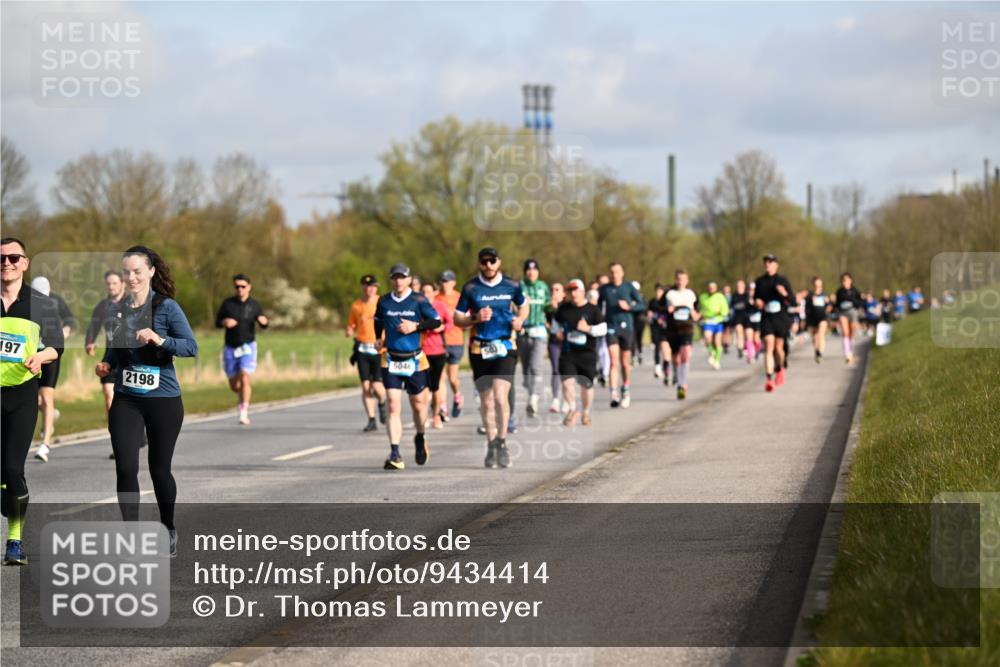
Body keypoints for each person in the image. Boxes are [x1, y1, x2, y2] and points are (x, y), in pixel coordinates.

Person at [95, 246, 197, 558]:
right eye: (127, 272)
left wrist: (160, 340)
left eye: (138, 271)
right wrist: (107, 364)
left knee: (159, 469)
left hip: (163, 400)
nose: (132, 277)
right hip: (126, 399)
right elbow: (115, 347)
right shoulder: (118, 309)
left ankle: (167, 528)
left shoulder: (167, 307)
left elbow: (190, 347)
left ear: (151, 271)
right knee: (126, 467)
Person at [2, 238, 64, 565]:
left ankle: (14, 540)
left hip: (22, 395)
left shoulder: (40, 303)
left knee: (13, 468)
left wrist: (41, 355)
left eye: (14, 258)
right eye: (1, 259)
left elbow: (57, 346)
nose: (7, 263)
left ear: (25, 263)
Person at [453, 247, 527, 469]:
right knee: (486, 400)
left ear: (499, 262)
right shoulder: (470, 288)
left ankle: (502, 442)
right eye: (484, 262)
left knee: (499, 396)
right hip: (480, 349)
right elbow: (457, 318)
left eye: (492, 261)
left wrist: (520, 320)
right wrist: (475, 318)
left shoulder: (512, 285)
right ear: (479, 264)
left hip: (505, 345)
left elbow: (524, 305)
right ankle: (491, 443)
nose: (488, 265)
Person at [373, 263, 441, 470]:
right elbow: (378, 320)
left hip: (414, 359)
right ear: (390, 279)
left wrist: (416, 326)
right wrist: (379, 338)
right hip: (391, 359)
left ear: (409, 279)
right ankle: (395, 453)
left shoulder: (418, 300)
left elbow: (436, 321)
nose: (398, 281)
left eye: (402, 277)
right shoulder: (384, 301)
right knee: (393, 405)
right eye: (394, 277)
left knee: (418, 405)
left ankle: (420, 436)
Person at [29, 276, 76, 463]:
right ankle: (51, 414)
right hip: (31, 355)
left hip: (50, 355)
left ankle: (45, 444)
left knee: (47, 397)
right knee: (34, 399)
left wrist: (65, 331)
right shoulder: (25, 302)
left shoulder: (56, 300)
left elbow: (70, 319)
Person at [216, 274, 269, 425]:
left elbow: (264, 322)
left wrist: (264, 321)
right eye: (237, 286)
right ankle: (240, 396)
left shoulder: (255, 305)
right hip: (231, 347)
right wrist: (225, 321)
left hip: (248, 346)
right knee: (235, 386)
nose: (240, 289)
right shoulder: (228, 304)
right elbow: (217, 322)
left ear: (249, 287)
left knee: (245, 377)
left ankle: (243, 412)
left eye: (243, 286)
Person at [553, 279, 607, 426]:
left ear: (583, 292)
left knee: (586, 386)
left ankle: (586, 412)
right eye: (571, 290)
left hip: (587, 354)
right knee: (566, 383)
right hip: (568, 353)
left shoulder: (593, 310)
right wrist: (557, 332)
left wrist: (588, 329)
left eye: (576, 290)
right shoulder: (564, 309)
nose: (573, 293)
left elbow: (603, 329)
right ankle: (571, 408)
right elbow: (555, 323)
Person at [85, 269, 127, 459]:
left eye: (114, 283)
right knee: (110, 399)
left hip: (130, 358)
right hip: (110, 358)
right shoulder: (103, 306)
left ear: (122, 284)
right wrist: (90, 341)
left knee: (133, 398)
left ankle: (137, 430)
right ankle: (118, 443)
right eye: (108, 284)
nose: (111, 287)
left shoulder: (132, 303)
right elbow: (93, 325)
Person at [597, 263, 645, 408]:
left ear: (622, 273)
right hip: (611, 327)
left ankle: (626, 389)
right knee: (613, 361)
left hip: (627, 328)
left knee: (625, 363)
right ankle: (613, 393)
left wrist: (630, 306)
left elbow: (642, 304)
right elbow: (599, 309)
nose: (614, 275)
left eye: (617, 272)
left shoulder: (628, 287)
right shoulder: (604, 289)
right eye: (611, 272)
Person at [346, 275, 388, 432]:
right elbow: (351, 324)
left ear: (376, 288)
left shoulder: (382, 302)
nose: (369, 289)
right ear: (362, 287)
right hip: (362, 349)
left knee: (377, 386)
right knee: (365, 386)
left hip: (378, 349)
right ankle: (371, 419)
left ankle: (382, 403)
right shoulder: (356, 306)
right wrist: (349, 330)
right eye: (366, 286)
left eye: (373, 286)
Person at [753, 254, 794, 392]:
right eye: (766, 262)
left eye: (770, 262)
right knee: (768, 346)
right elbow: (755, 299)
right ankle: (769, 379)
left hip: (781, 317)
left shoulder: (783, 280)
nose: (767, 264)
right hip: (767, 317)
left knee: (778, 348)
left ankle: (780, 368)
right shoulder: (760, 281)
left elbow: (793, 301)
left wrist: (784, 294)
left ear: (776, 265)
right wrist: (757, 302)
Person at [658, 269, 700, 399]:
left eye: (683, 279)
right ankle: (678, 377)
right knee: (676, 358)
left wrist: (696, 315)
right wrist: (666, 310)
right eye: (678, 278)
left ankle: (682, 384)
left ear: (687, 280)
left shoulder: (691, 294)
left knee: (686, 354)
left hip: (687, 328)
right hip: (672, 329)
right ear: (675, 279)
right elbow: (658, 308)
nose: (680, 281)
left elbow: (698, 310)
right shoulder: (669, 293)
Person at [517, 259, 550, 418]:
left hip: (539, 332)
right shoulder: (519, 287)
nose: (531, 273)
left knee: (535, 366)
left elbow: (549, 306)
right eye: (528, 270)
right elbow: (512, 306)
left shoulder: (543, 287)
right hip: (523, 333)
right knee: (525, 369)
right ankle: (531, 391)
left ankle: (533, 399)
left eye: (534, 270)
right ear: (525, 272)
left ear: (538, 272)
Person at [420, 281, 452, 429]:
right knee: (424, 386)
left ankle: (436, 416)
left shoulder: (440, 306)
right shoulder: (418, 306)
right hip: (422, 350)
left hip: (438, 350)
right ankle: (424, 416)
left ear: (434, 292)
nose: (426, 294)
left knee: (436, 386)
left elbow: (451, 322)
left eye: (428, 291)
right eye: (423, 292)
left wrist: (443, 327)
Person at [436, 270, 465, 419]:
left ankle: (458, 395)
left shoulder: (460, 297)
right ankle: (442, 406)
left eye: (447, 281)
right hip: (439, 343)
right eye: (442, 281)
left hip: (456, 342)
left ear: (453, 282)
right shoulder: (436, 299)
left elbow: (467, 319)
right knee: (440, 377)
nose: (444, 284)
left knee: (452, 378)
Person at [834, 272, 865, 365]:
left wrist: (855, 302)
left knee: (851, 332)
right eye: (843, 280)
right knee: (845, 332)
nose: (845, 282)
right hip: (843, 313)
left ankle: (851, 351)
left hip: (853, 312)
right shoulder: (839, 291)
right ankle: (847, 354)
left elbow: (860, 301)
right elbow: (836, 304)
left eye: (847, 280)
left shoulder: (855, 290)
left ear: (851, 280)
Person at [698, 281, 729, 370]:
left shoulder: (720, 297)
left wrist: (720, 312)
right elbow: (700, 308)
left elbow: (725, 310)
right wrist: (700, 315)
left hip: (718, 321)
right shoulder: (703, 297)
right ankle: (712, 352)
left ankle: (717, 360)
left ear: (716, 288)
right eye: (710, 287)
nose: (711, 289)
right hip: (707, 321)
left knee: (717, 341)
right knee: (707, 337)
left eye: (713, 287)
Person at [545, 282, 565, 413]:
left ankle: (568, 399)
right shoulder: (547, 307)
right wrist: (549, 327)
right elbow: (543, 320)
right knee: (556, 369)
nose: (554, 291)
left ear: (563, 293)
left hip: (567, 341)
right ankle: (556, 399)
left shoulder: (567, 307)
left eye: (557, 289)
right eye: (552, 289)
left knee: (568, 370)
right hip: (553, 341)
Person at [803, 277, 831, 363]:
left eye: (819, 284)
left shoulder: (825, 295)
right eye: (816, 284)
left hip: (823, 317)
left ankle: (820, 352)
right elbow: (806, 308)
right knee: (815, 336)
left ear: (821, 284)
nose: (817, 285)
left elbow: (830, 306)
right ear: (813, 284)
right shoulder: (810, 295)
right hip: (812, 317)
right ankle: (816, 350)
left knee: (820, 334)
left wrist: (828, 305)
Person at [648, 284, 667, 377]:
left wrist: (663, 319)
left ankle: (665, 365)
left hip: (665, 328)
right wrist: (651, 315)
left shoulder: (666, 302)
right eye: (657, 291)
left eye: (660, 291)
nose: (658, 293)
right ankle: (657, 367)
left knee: (665, 349)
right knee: (657, 347)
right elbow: (649, 312)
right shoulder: (652, 301)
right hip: (655, 327)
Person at [729, 280, 751, 360]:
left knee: (748, 334)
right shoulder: (734, 295)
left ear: (744, 286)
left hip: (746, 316)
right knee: (739, 332)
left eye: (741, 285)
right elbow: (731, 306)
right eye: (738, 285)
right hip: (738, 317)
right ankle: (740, 349)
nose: (739, 286)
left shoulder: (747, 295)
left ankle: (749, 351)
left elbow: (750, 304)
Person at [631, 280, 647, 364]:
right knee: (632, 339)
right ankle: (633, 355)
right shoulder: (628, 298)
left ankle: (640, 353)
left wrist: (633, 307)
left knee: (639, 338)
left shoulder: (641, 297)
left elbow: (644, 308)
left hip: (640, 321)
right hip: (631, 321)